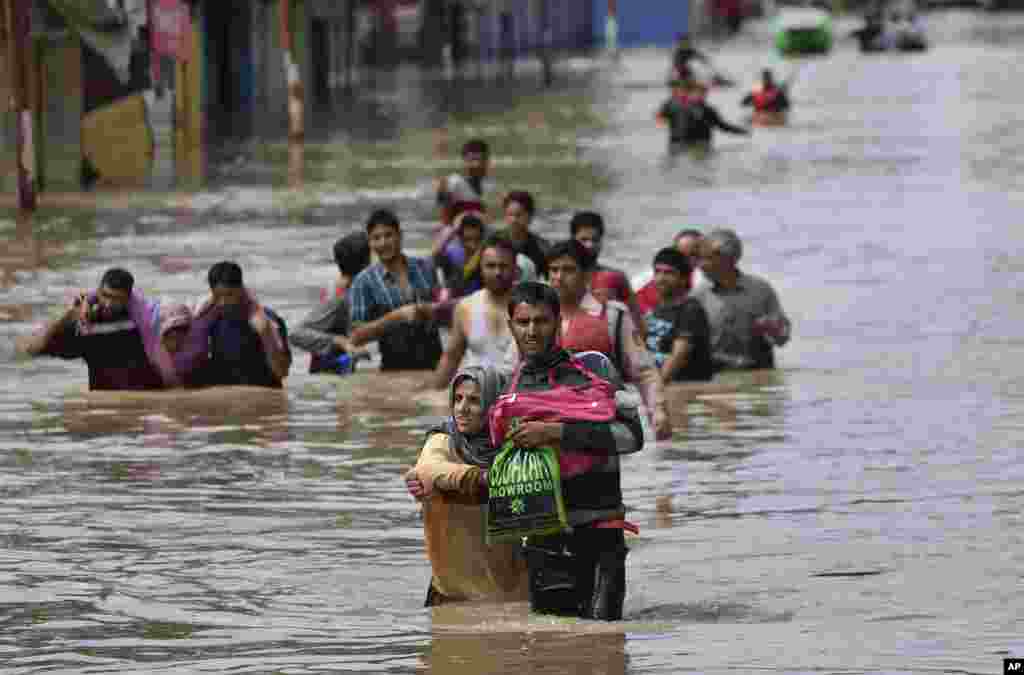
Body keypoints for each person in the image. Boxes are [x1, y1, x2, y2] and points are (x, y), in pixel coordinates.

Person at [493, 281, 645, 620]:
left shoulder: (596, 370)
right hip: (542, 541)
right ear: (511, 326)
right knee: (552, 650)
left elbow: (632, 438)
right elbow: (480, 453)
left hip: (601, 534)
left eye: (542, 321)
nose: (532, 331)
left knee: (605, 645)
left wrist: (557, 432)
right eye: (523, 322)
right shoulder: (505, 387)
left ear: (558, 321)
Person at [505, 240, 667, 438]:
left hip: (599, 429)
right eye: (554, 270)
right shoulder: (532, 319)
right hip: (541, 428)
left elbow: (645, 371)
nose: (559, 277)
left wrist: (657, 411)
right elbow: (511, 370)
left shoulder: (613, 316)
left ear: (587, 274)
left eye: (568, 270)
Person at [405, 366, 528, 606]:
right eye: (458, 399)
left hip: (509, 590)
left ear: (495, 406)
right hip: (452, 592)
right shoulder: (443, 440)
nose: (462, 409)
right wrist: (483, 479)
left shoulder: (516, 446)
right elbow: (430, 469)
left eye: (474, 401)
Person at [17, 268, 165, 391]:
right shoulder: (88, 326)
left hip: (144, 404)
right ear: (98, 292)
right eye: (106, 296)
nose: (108, 304)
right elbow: (32, 350)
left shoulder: (145, 323)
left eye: (116, 299)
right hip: (105, 407)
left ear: (128, 299)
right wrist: (65, 316)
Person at [348, 209, 443, 371]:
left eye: (388, 235)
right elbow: (356, 337)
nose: (383, 243)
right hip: (394, 368)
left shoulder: (426, 268)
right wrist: (394, 318)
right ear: (369, 243)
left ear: (400, 235)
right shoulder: (364, 282)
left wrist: (431, 311)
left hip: (436, 363)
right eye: (376, 238)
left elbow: (442, 311)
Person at [693, 229, 791, 371]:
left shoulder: (760, 290)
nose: (700, 265)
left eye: (706, 258)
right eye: (699, 258)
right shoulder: (698, 297)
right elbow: (689, 348)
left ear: (729, 260)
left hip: (760, 380)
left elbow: (782, 338)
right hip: (716, 382)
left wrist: (771, 327)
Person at [431, 234, 519, 389]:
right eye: (490, 266)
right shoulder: (466, 307)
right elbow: (451, 358)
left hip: (515, 397)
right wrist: (434, 392)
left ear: (515, 269)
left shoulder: (530, 307)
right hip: (475, 397)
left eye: (503, 266)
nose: (497, 272)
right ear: (481, 268)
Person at [196, 261, 292, 388]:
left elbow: (282, 373)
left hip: (262, 396)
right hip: (226, 397)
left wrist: (266, 334)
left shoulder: (269, 320)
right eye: (218, 296)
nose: (223, 302)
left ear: (241, 289)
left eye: (229, 295)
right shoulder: (209, 318)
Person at [291, 232, 372, 375]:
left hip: (340, 373)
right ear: (365, 264)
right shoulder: (337, 297)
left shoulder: (352, 290)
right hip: (327, 375)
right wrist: (340, 341)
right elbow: (296, 333)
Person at [643, 248, 714, 384]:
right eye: (657, 272)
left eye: (669, 273)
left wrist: (656, 388)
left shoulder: (690, 310)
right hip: (660, 384)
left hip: (687, 386)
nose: (661, 278)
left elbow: (678, 355)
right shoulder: (655, 310)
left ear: (684, 278)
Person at [569, 211, 645, 333]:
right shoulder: (560, 277)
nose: (589, 245)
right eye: (584, 239)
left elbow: (638, 324)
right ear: (572, 240)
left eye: (595, 240)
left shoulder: (615, 277)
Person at [656, 80, 749, 153]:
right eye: (697, 93)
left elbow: (722, 126)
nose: (701, 96)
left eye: (703, 93)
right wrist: (662, 119)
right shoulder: (673, 106)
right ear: (689, 93)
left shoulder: (709, 110)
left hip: (701, 145)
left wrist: (742, 131)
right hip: (678, 145)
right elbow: (660, 117)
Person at [635, 228, 710, 315]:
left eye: (694, 255)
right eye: (680, 254)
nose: (688, 260)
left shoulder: (704, 281)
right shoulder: (646, 278)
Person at [435, 139, 495, 225]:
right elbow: (445, 219)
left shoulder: (490, 184)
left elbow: (490, 217)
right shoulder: (452, 182)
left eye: (481, 160)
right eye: (472, 160)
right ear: (464, 161)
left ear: (487, 161)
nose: (476, 164)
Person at [432, 209, 487, 299]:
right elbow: (435, 255)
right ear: (460, 238)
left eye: (477, 239)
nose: (472, 245)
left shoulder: (486, 257)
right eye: (467, 239)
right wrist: (453, 229)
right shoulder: (450, 256)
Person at [497, 190, 550, 278]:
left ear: (530, 216)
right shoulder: (492, 243)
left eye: (518, 215)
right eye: (510, 215)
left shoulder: (542, 248)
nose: (514, 220)